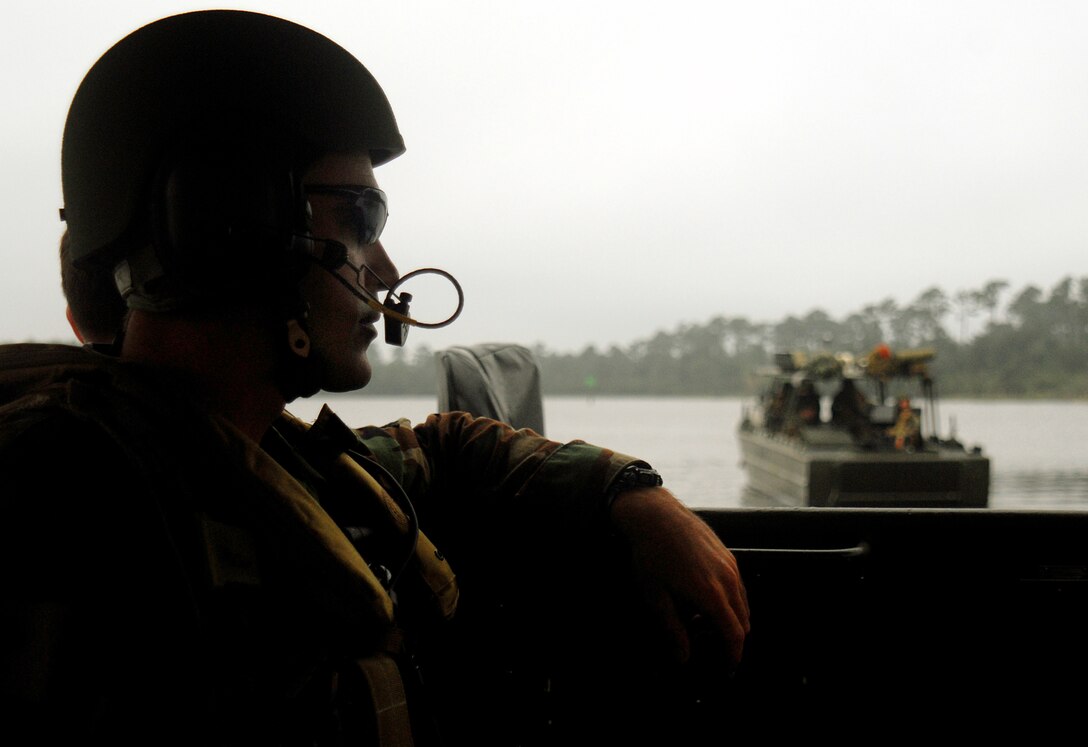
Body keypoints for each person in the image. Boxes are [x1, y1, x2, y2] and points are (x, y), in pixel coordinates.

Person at [0, 10, 749, 746]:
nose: (383, 268)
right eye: (359, 219)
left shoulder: (267, 456)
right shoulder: (67, 502)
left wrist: (631, 493)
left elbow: (443, 449)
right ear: (232, 220)